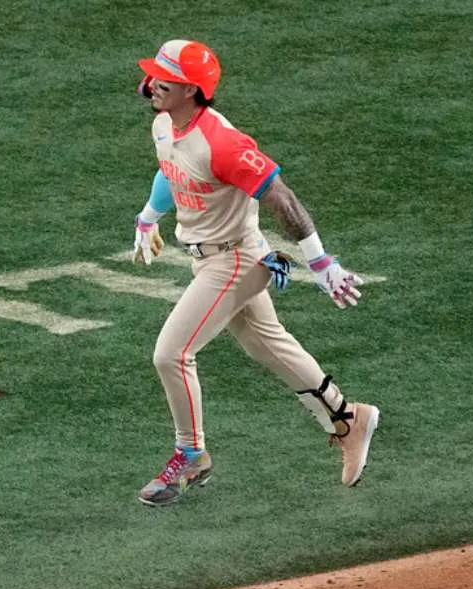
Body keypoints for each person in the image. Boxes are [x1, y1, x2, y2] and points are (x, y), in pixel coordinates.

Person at [129, 39, 379, 506]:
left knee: (171, 353)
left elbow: (282, 198)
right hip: (207, 256)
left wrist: (321, 263)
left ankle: (191, 453)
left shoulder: (223, 144)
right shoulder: (165, 122)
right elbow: (171, 170)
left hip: (236, 259)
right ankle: (349, 419)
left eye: (164, 78)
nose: (151, 84)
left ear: (191, 90)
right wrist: (148, 217)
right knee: (267, 344)